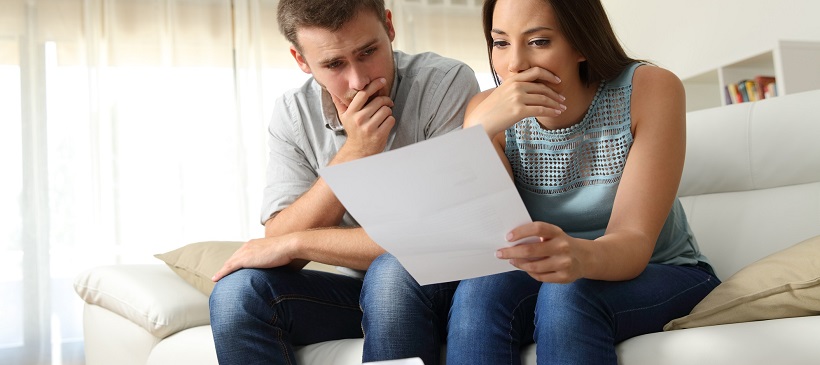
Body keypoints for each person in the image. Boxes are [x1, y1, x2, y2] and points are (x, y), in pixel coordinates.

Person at [362, 0, 721, 364]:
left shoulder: (650, 88)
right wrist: (476, 134)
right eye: (500, 42)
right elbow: (487, 239)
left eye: (538, 41)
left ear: (582, 43)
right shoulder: (486, 112)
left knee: (568, 294)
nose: (514, 64)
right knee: (479, 292)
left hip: (660, 270)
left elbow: (635, 243)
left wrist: (578, 255)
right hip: (547, 274)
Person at [207, 0, 480, 364]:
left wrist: (297, 242)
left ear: (389, 26)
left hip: (448, 284)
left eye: (368, 52)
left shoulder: (443, 84)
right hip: (361, 291)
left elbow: (436, 237)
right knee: (237, 293)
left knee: (392, 271)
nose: (358, 79)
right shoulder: (293, 114)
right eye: (334, 64)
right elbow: (278, 245)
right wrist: (355, 152)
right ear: (301, 60)